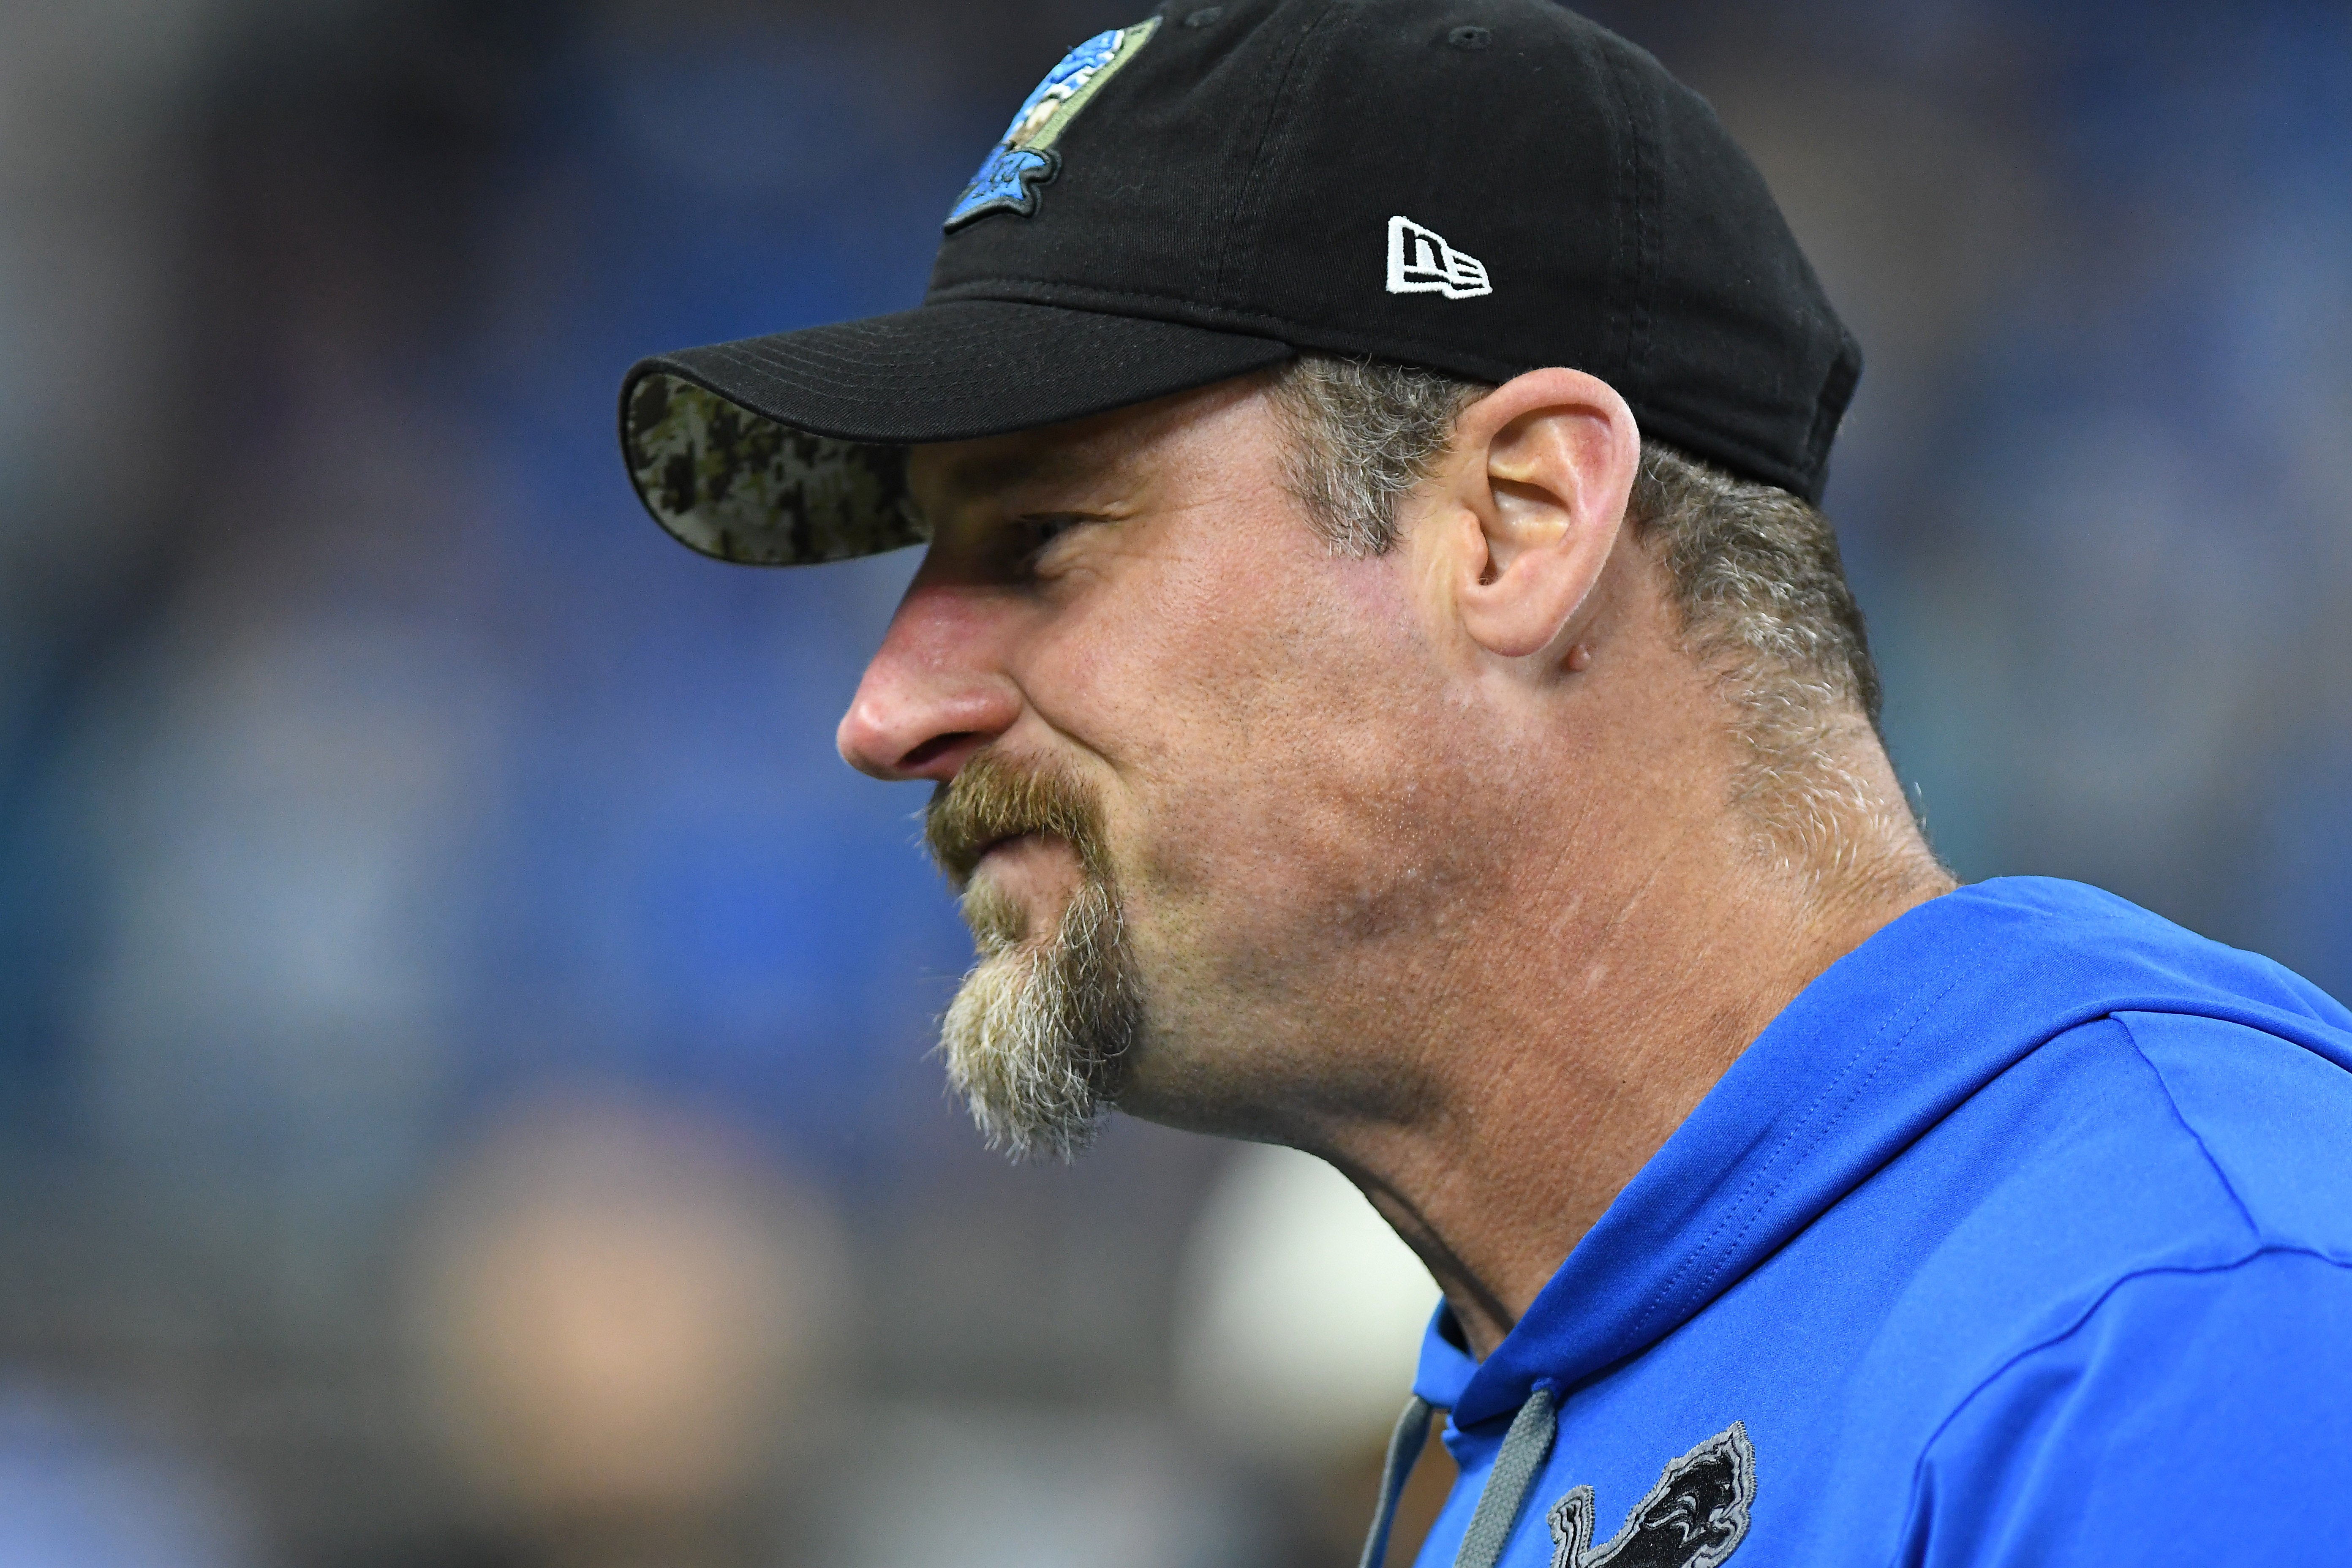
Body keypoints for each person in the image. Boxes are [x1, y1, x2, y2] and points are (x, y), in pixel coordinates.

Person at [614, 3, 2352, 1564]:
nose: (890, 706)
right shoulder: (1552, 1390)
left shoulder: (2184, 1320)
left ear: (1519, 521)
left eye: (1042, 537)